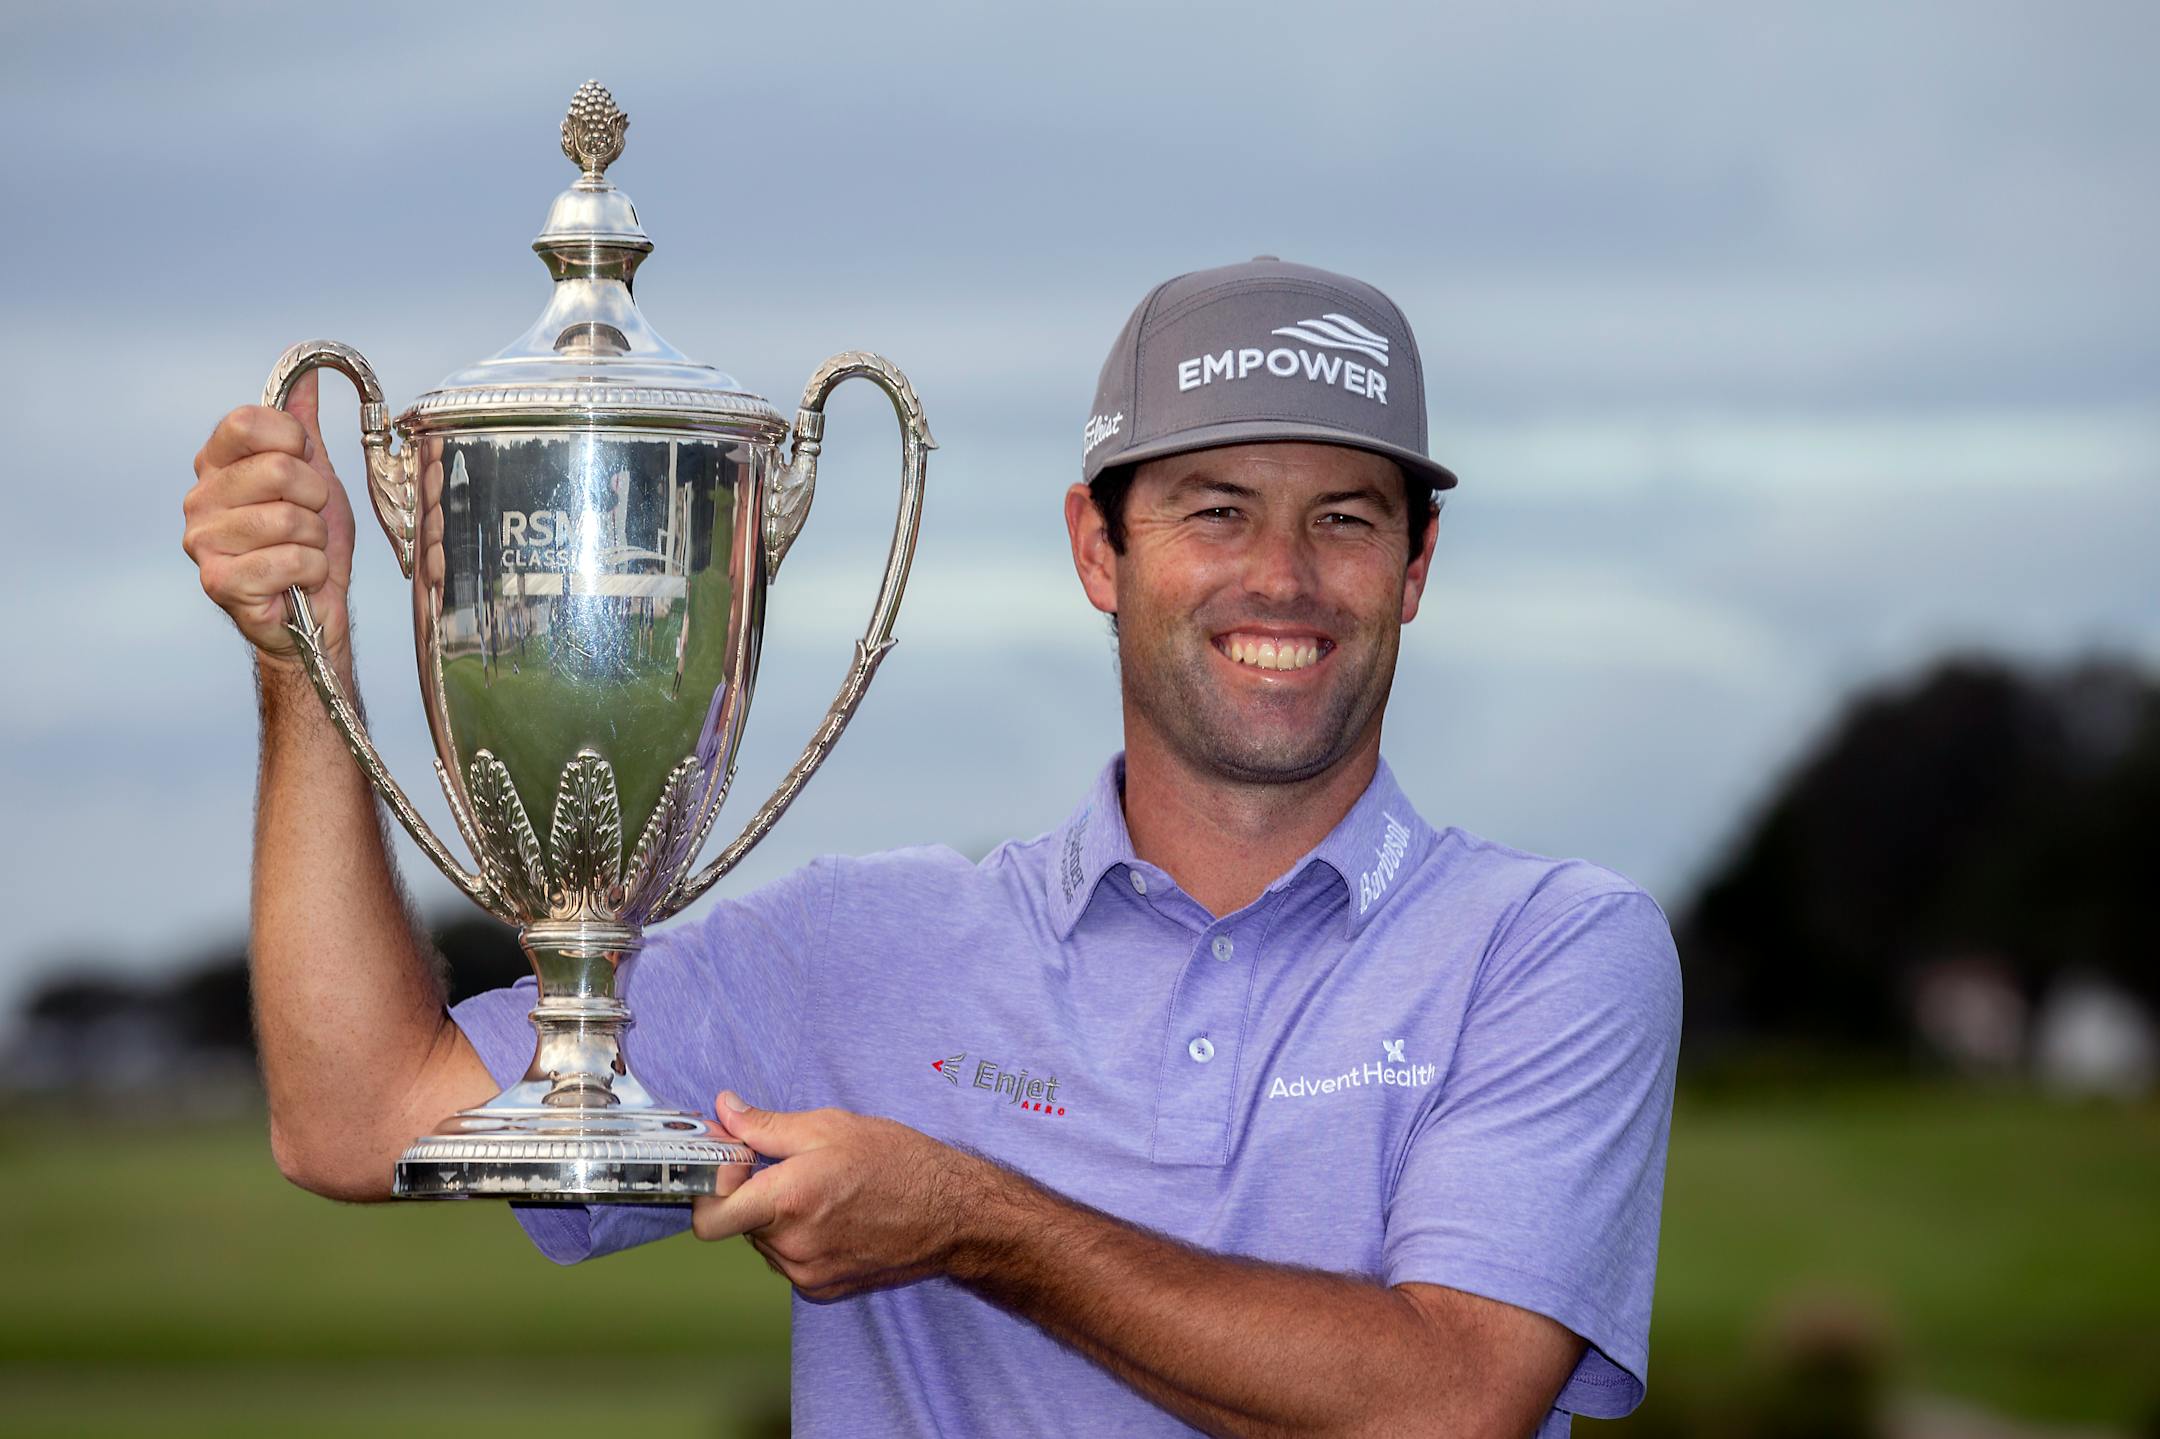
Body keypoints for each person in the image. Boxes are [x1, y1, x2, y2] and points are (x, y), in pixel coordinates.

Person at [183, 257, 1682, 1437]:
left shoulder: (1549, 946)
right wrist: (301, 663)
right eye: (1217, 511)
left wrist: (970, 1223)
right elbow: (359, 1119)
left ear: (1417, 566)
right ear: (1099, 549)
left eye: (1345, 519)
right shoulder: (858, 950)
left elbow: (1448, 1403)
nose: (1281, 579)